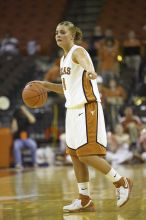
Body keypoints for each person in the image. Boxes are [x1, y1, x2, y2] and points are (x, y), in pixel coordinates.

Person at [29, 21, 133, 212]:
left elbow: (85, 62)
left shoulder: (78, 51)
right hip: (72, 109)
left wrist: (91, 70)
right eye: (56, 32)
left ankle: (121, 182)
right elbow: (67, 88)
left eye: (62, 32)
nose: (58, 35)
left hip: (87, 108)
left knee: (87, 154)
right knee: (75, 156)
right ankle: (84, 198)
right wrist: (46, 85)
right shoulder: (63, 59)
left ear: (72, 35)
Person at [11, 105, 37, 169]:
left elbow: (33, 120)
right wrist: (14, 118)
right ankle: (18, 164)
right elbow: (14, 130)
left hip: (27, 139)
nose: (21, 112)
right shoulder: (15, 118)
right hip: (18, 139)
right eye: (20, 111)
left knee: (33, 145)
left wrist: (25, 111)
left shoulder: (26, 118)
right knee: (16, 147)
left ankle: (34, 163)